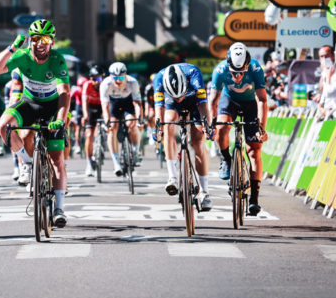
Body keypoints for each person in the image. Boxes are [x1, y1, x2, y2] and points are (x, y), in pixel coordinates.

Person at [0, 20, 70, 228]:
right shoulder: (22, 55)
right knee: (3, 126)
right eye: (35, 39)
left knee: (57, 159)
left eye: (45, 39)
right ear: (30, 40)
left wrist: (61, 119)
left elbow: (64, 94)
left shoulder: (57, 60)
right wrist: (13, 47)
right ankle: (26, 163)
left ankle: (59, 209)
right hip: (29, 103)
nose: (39, 43)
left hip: (53, 107)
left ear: (52, 42)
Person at [209, 42, 269, 216]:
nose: (237, 77)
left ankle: (254, 199)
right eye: (234, 73)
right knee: (221, 128)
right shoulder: (219, 70)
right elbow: (213, 101)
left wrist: (261, 129)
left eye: (241, 72)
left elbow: (262, 101)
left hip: (251, 104)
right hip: (229, 102)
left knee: (254, 150)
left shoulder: (256, 69)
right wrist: (212, 125)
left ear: (247, 66)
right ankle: (227, 158)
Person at [153, 63, 213, 210]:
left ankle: (205, 192)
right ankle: (172, 177)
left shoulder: (194, 74)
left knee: (198, 139)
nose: (179, 98)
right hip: (170, 103)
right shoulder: (159, 79)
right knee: (168, 125)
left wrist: (207, 126)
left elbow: (203, 105)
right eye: (176, 96)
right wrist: (158, 129)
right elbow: (159, 110)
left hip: (194, 101)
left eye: (180, 95)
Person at [99, 62, 143, 177]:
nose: (118, 80)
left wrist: (139, 119)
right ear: (110, 76)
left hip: (128, 103)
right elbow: (105, 106)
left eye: (121, 77)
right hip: (113, 103)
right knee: (112, 128)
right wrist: (107, 122)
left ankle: (136, 151)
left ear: (125, 75)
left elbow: (138, 104)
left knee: (131, 124)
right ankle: (116, 162)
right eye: (115, 78)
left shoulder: (132, 82)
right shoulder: (105, 84)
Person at [81, 65, 103, 176]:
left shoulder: (105, 85)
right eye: (94, 79)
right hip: (91, 108)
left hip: (102, 108)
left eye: (99, 79)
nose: (96, 82)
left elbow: (108, 103)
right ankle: (89, 162)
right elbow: (84, 102)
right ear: (90, 79)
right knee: (89, 135)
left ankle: (100, 145)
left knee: (102, 128)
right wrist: (85, 115)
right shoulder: (87, 85)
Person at [4, 68, 24, 181]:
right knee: (15, 134)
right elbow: (10, 103)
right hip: (17, 109)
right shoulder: (8, 86)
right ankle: (18, 167)